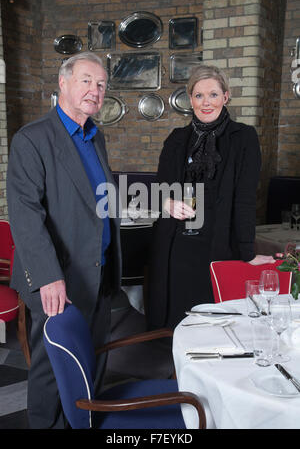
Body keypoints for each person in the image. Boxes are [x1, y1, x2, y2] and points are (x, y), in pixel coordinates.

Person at [6, 52, 121, 428]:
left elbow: (97, 201)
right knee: (52, 370)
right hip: (59, 279)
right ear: (64, 84)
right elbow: (26, 214)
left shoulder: (95, 137)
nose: (95, 90)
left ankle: (84, 423)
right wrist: (47, 276)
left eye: (101, 84)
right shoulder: (33, 138)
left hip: (99, 272)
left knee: (92, 362)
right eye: (87, 80)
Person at [146, 65, 274, 330]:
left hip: (218, 245)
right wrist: (166, 202)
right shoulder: (176, 139)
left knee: (215, 324)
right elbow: (160, 188)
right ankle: (176, 369)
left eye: (213, 95)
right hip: (176, 247)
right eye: (199, 95)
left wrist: (247, 252)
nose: (206, 103)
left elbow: (245, 199)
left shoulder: (244, 138)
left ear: (225, 97)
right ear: (190, 99)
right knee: (176, 323)